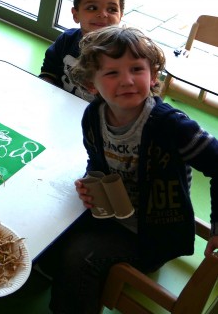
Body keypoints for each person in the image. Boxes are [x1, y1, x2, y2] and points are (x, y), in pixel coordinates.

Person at [46, 26, 218, 314]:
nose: (126, 80)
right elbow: (98, 163)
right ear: (91, 84)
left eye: (137, 69)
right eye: (111, 73)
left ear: (152, 76)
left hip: (154, 233)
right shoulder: (93, 116)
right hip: (113, 212)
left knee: (79, 257)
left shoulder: (170, 125)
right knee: (52, 231)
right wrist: (92, 183)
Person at [39, 0, 124, 100]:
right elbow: (48, 72)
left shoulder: (125, 55)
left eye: (112, 9)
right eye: (92, 8)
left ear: (120, 16)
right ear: (75, 14)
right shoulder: (66, 40)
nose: (103, 14)